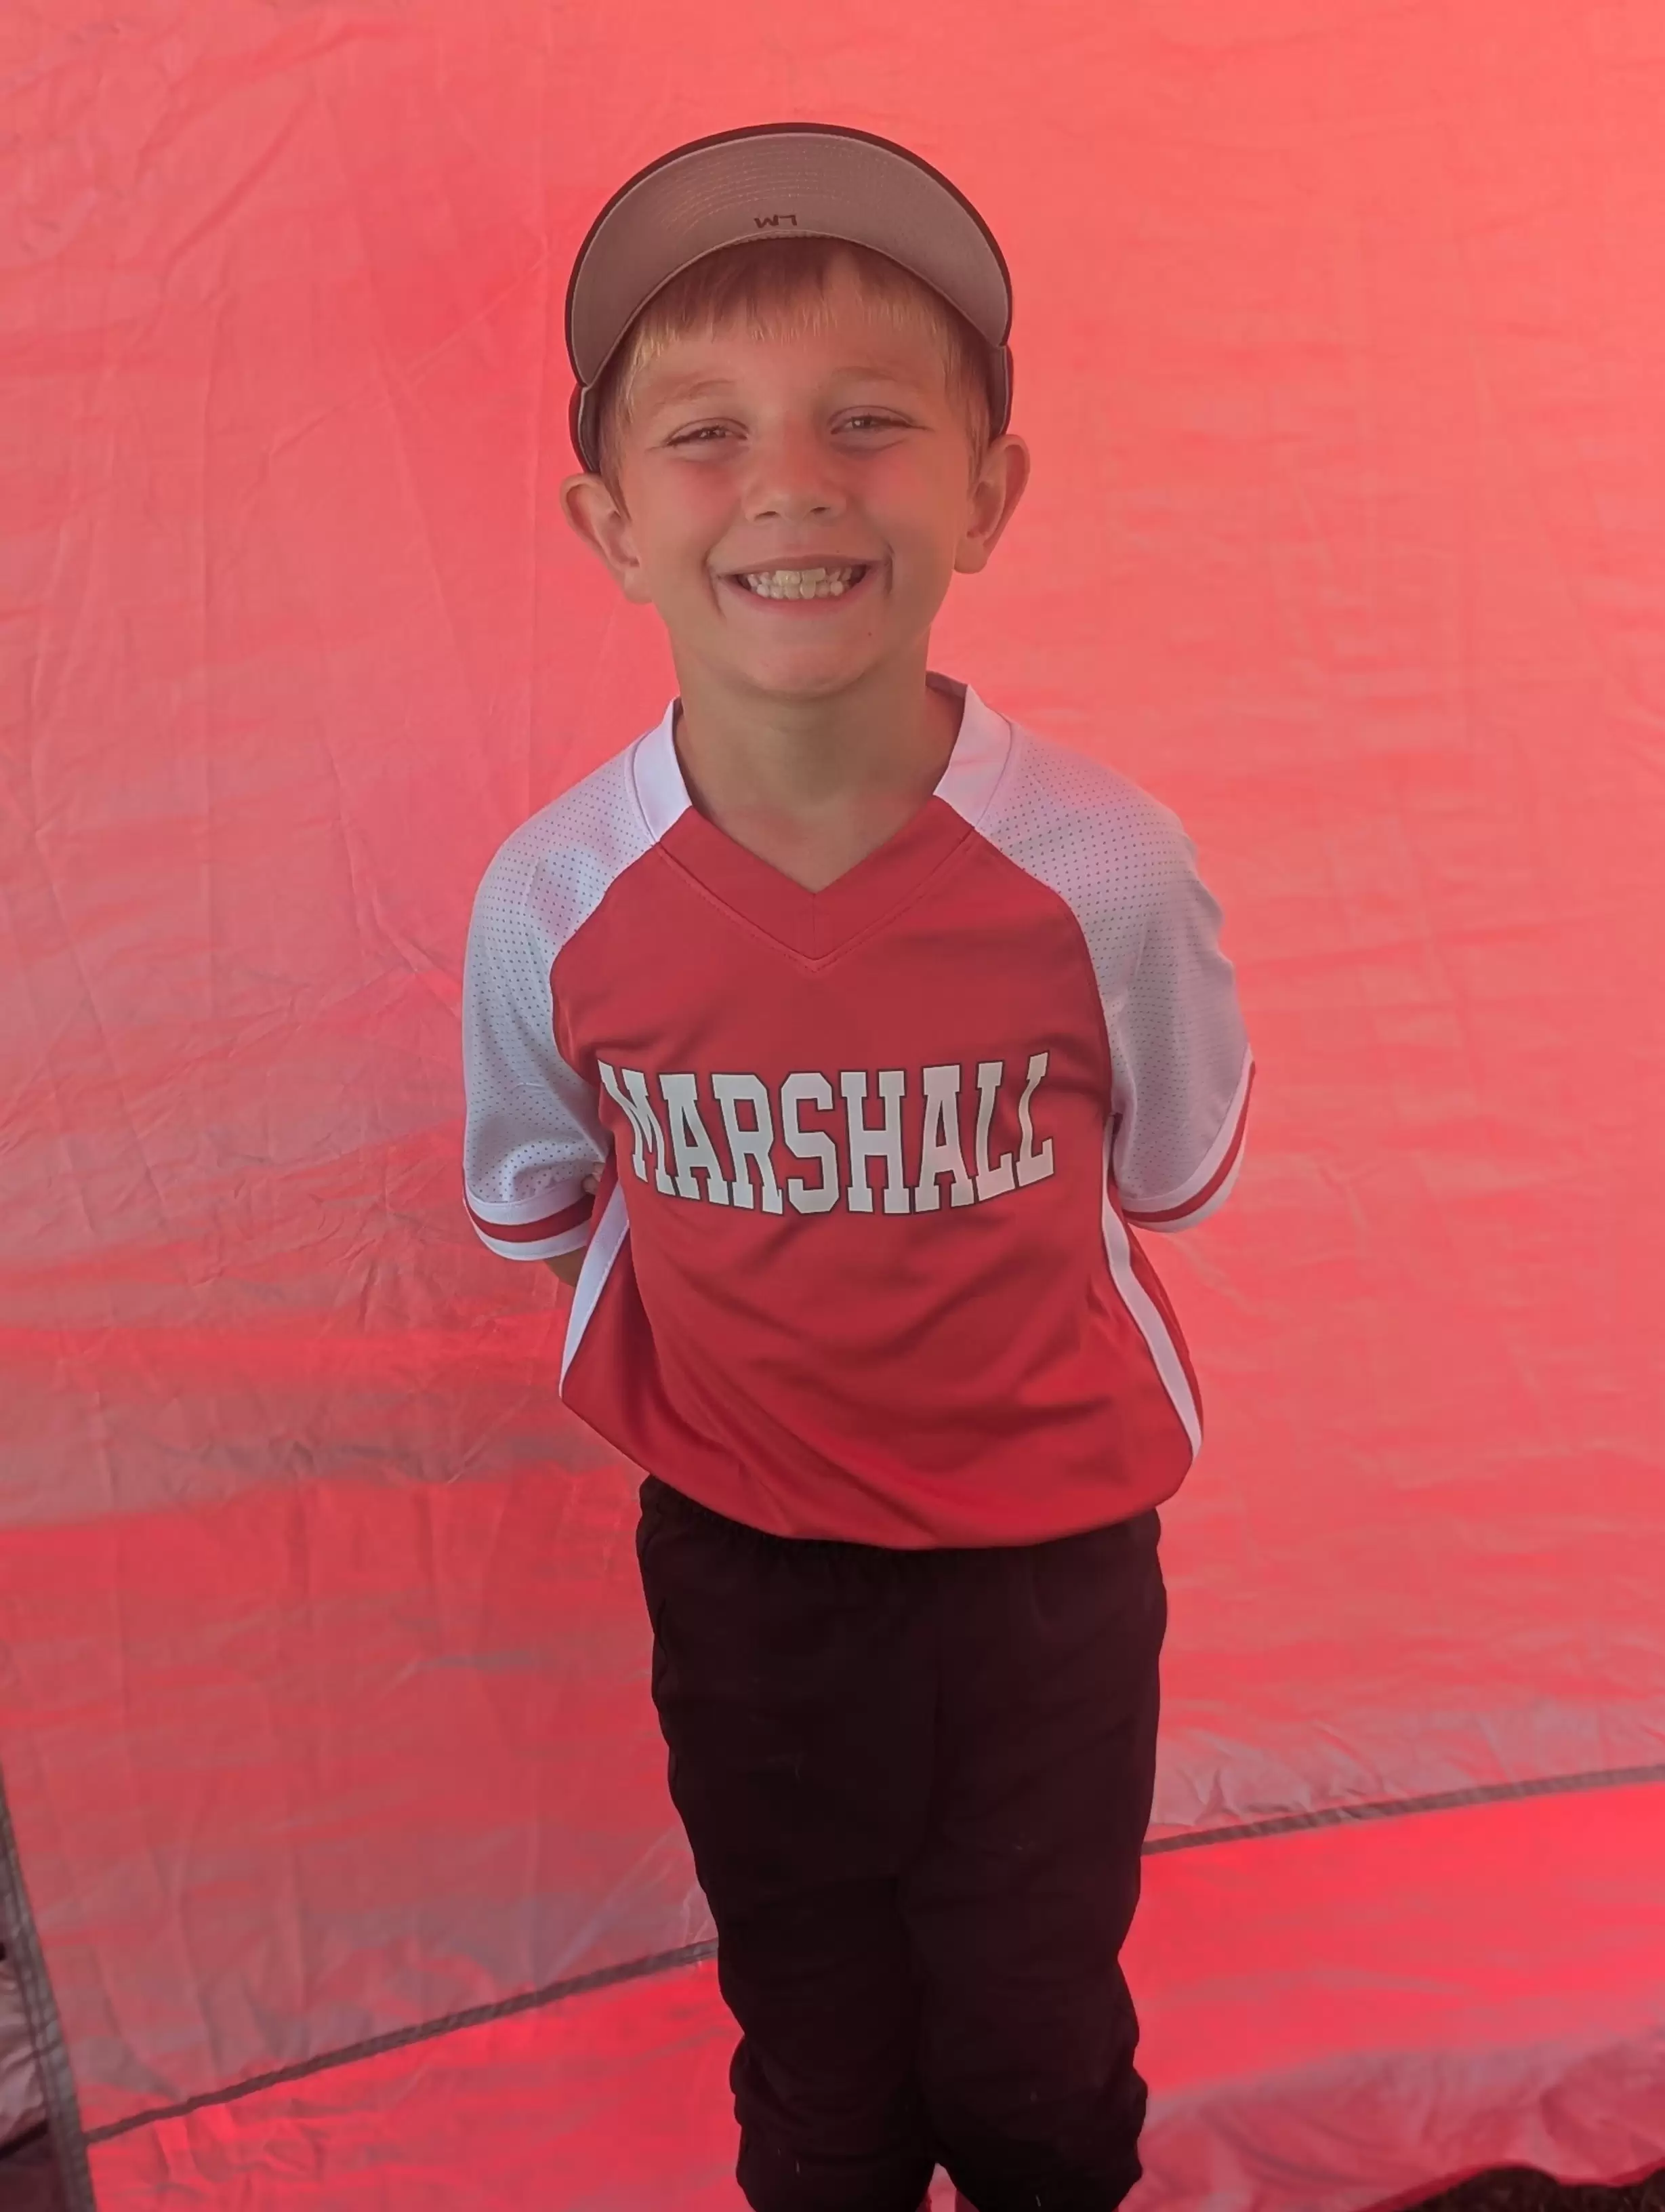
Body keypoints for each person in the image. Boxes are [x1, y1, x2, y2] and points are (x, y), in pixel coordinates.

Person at [461, 123, 1254, 2212]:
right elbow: (540, 1199)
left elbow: (1169, 1172)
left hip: (1050, 1571)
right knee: (816, 2057)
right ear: (609, 524)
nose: (794, 483)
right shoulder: (552, 896)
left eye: (871, 422)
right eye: (705, 434)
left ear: (988, 492)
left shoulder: (1104, 866)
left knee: (1034, 2047)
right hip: (744, 1569)